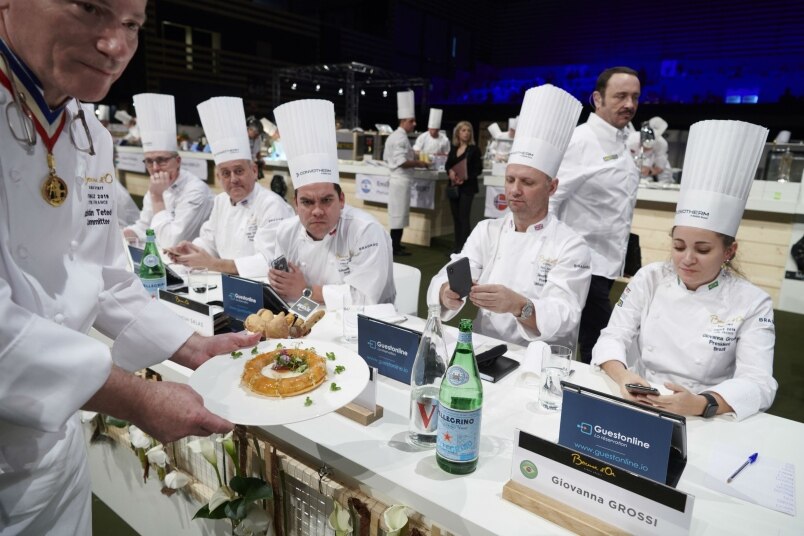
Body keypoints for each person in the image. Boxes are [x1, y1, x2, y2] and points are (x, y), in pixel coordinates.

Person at [0, 2, 259, 533]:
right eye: (89, 8)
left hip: (56, 449)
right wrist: (136, 397)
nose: (115, 46)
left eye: (131, 25)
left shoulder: (88, 136)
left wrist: (190, 346)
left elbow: (105, 274)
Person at [592, 120, 776, 421]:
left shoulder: (753, 302)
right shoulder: (650, 278)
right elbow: (613, 336)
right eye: (678, 246)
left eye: (703, 250)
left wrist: (704, 403)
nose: (687, 259)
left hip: (707, 416)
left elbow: (759, 382)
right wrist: (624, 377)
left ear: (729, 252)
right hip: (641, 401)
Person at [427, 85, 591, 349]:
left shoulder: (571, 245)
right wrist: (446, 293)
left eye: (527, 182)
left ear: (552, 187)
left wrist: (518, 305)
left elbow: (565, 314)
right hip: (484, 349)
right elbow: (451, 272)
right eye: (510, 179)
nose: (514, 190)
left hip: (540, 358)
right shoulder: (487, 230)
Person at [550, 66, 641, 363]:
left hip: (609, 263)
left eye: (635, 97)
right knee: (599, 342)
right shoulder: (580, 140)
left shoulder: (623, 139)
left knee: (588, 338)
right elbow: (550, 199)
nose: (629, 104)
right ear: (597, 99)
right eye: (620, 96)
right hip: (581, 263)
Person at [269, 98, 395, 307]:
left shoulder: (366, 230)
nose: (317, 211)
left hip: (362, 328)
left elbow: (364, 299)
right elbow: (283, 291)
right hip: (305, 321)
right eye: (307, 202)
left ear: (342, 199)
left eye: (326, 200)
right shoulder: (285, 231)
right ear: (295, 204)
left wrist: (304, 290)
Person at [167, 97, 294, 278]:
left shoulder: (271, 205)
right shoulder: (220, 201)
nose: (233, 179)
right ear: (219, 177)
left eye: (239, 171)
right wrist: (191, 250)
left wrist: (213, 264)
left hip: (261, 291)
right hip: (225, 283)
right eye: (226, 173)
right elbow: (209, 241)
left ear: (254, 170)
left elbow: (270, 262)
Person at [123, 93, 213, 247]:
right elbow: (144, 227)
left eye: (162, 160)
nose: (156, 168)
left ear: (178, 161)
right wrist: (122, 235)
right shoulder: (158, 186)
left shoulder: (195, 190)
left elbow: (171, 241)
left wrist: (157, 197)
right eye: (149, 161)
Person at [383, 90, 427, 256]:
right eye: (411, 121)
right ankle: (394, 246)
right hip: (400, 180)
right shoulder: (400, 138)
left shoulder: (395, 136)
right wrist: (419, 163)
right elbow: (401, 161)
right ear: (403, 121)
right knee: (398, 214)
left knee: (398, 213)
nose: (414, 123)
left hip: (398, 181)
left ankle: (397, 244)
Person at [445, 120, 482, 252]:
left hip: (467, 188)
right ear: (458, 133)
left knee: (464, 217)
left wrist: (464, 177)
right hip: (454, 187)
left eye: (468, 131)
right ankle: (457, 246)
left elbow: (478, 169)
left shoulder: (474, 149)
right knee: (456, 218)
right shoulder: (454, 148)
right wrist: (450, 172)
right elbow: (447, 165)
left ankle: (465, 248)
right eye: (463, 130)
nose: (466, 133)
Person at [627, 116, 672, 183]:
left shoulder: (662, 145)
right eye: (644, 147)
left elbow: (660, 167)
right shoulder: (631, 140)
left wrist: (650, 171)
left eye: (649, 148)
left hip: (647, 179)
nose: (646, 150)